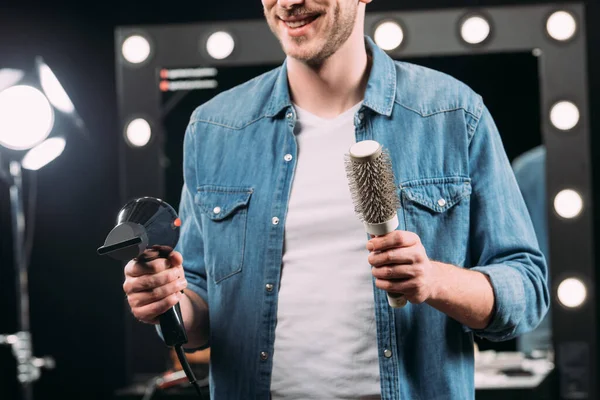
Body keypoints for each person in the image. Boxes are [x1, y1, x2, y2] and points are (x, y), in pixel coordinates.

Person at [122, 0, 549, 398]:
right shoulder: (215, 129)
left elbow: (526, 291)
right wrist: (169, 301)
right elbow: (200, 309)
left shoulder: (452, 114)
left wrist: (433, 281)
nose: (288, 3)